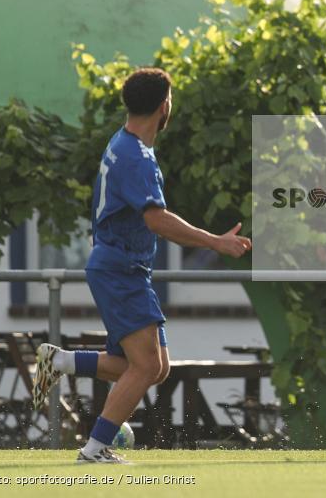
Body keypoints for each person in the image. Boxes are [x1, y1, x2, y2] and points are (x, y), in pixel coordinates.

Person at [32, 68, 252, 463]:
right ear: (164, 104)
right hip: (119, 269)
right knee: (146, 364)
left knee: (156, 368)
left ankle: (60, 361)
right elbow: (156, 219)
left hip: (122, 268)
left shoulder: (125, 144)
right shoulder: (135, 156)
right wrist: (214, 241)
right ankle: (95, 449)